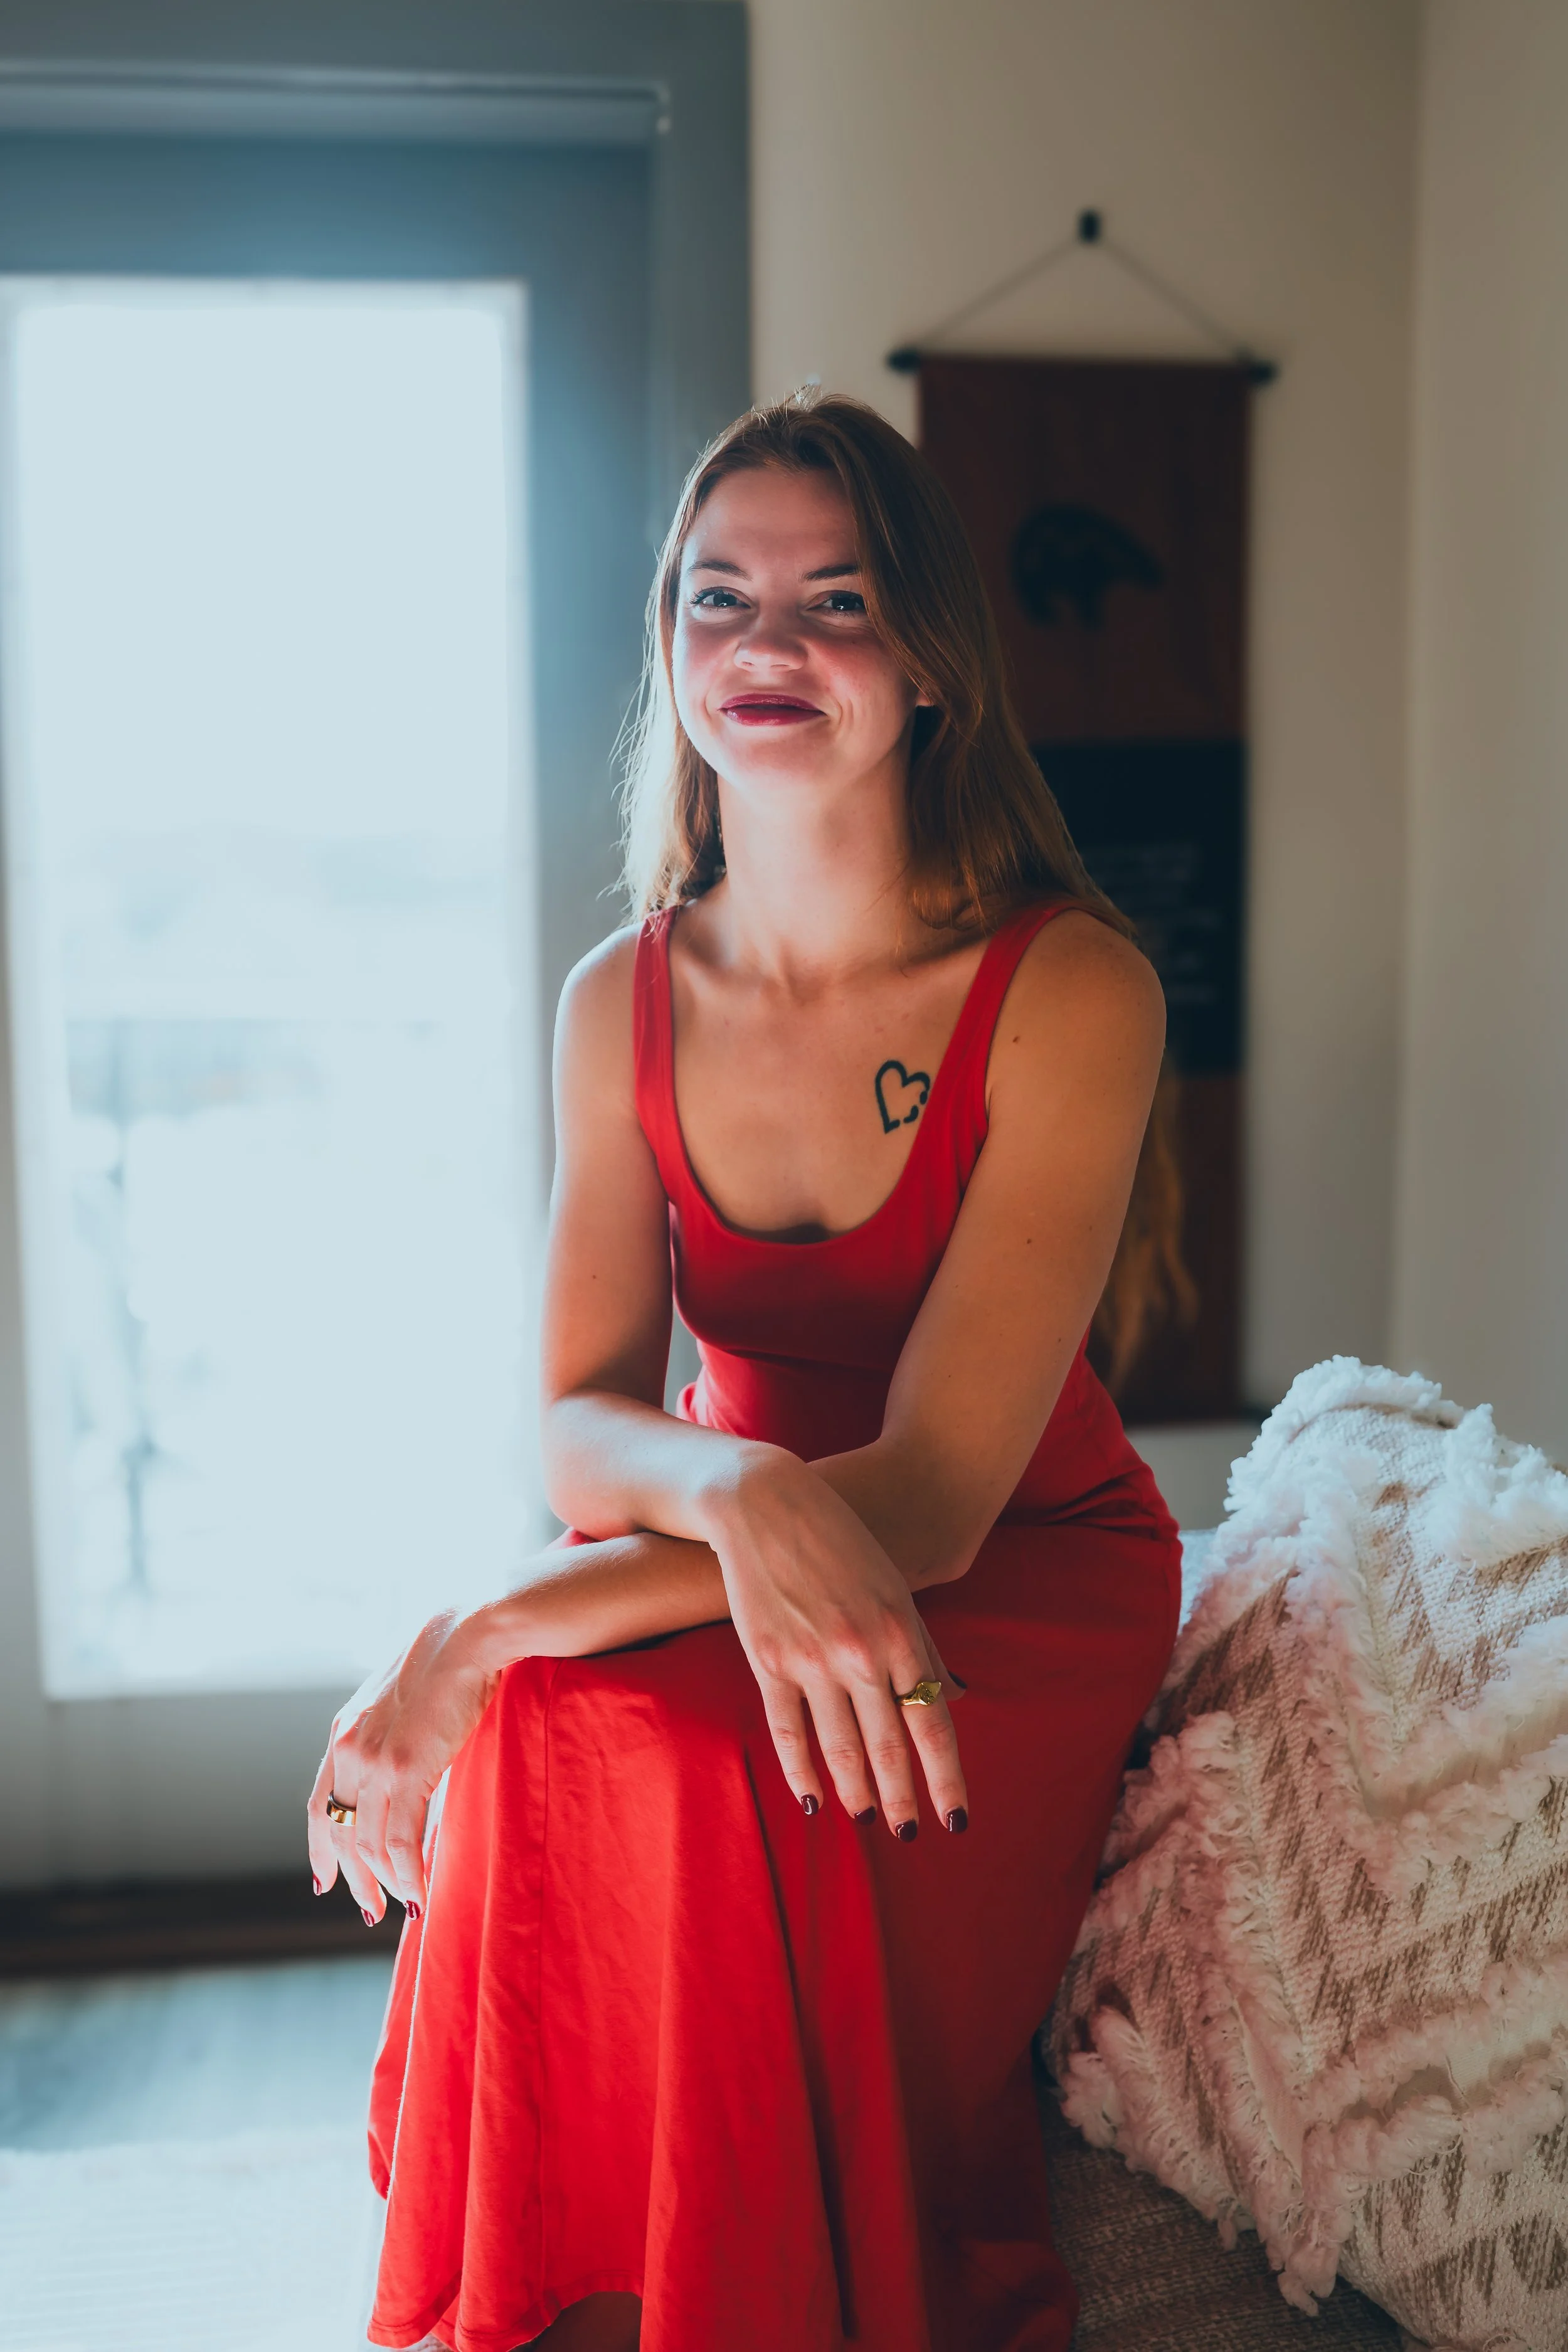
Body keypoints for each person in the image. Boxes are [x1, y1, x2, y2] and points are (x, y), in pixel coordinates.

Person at [308, 391, 1183, 2352]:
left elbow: (931, 1495)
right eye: (719, 598)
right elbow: (580, 1420)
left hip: (1010, 1555)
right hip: (735, 1527)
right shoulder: (619, 996)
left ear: (931, 657)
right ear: (670, 644)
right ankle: (566, 2299)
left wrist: (485, 1621)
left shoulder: (1069, 986)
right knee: (547, 1729)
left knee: (675, 1747)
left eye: (834, 598)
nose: (766, 645)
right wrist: (732, 1485)